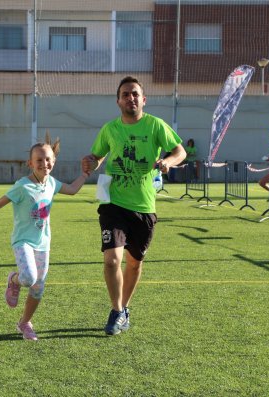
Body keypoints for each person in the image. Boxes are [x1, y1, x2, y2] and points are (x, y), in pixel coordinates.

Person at [82, 76, 186, 336]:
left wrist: (168, 162)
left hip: (144, 205)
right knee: (111, 259)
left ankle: (124, 308)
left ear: (144, 99)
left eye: (135, 94)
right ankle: (116, 311)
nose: (131, 98)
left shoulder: (155, 126)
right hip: (113, 204)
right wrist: (90, 161)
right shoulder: (110, 129)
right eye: (126, 94)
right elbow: (97, 155)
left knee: (135, 263)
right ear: (118, 100)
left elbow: (180, 151)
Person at [0, 135, 88, 341]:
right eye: (39, 160)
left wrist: (84, 174)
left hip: (43, 243)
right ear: (30, 163)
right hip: (23, 241)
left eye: (48, 159)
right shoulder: (22, 186)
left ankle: (24, 323)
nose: (44, 163)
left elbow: (73, 189)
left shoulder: (52, 184)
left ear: (53, 161)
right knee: (28, 278)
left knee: (38, 288)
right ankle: (13, 279)